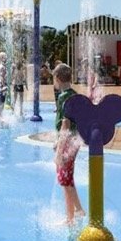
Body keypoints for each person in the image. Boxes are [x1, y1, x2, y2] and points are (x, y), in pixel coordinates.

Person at [53, 62, 85, 225]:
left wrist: (59, 149)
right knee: (67, 179)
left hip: (68, 141)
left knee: (65, 179)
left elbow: (65, 124)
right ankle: (71, 217)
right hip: (76, 139)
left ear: (57, 78)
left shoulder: (63, 97)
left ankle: (78, 211)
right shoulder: (75, 95)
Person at [0, 51, 8, 121]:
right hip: (1, 85)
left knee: (1, 101)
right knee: (2, 101)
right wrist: (3, 86)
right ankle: (0, 115)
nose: (6, 59)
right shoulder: (2, 67)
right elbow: (2, 77)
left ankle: (0, 114)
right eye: (5, 57)